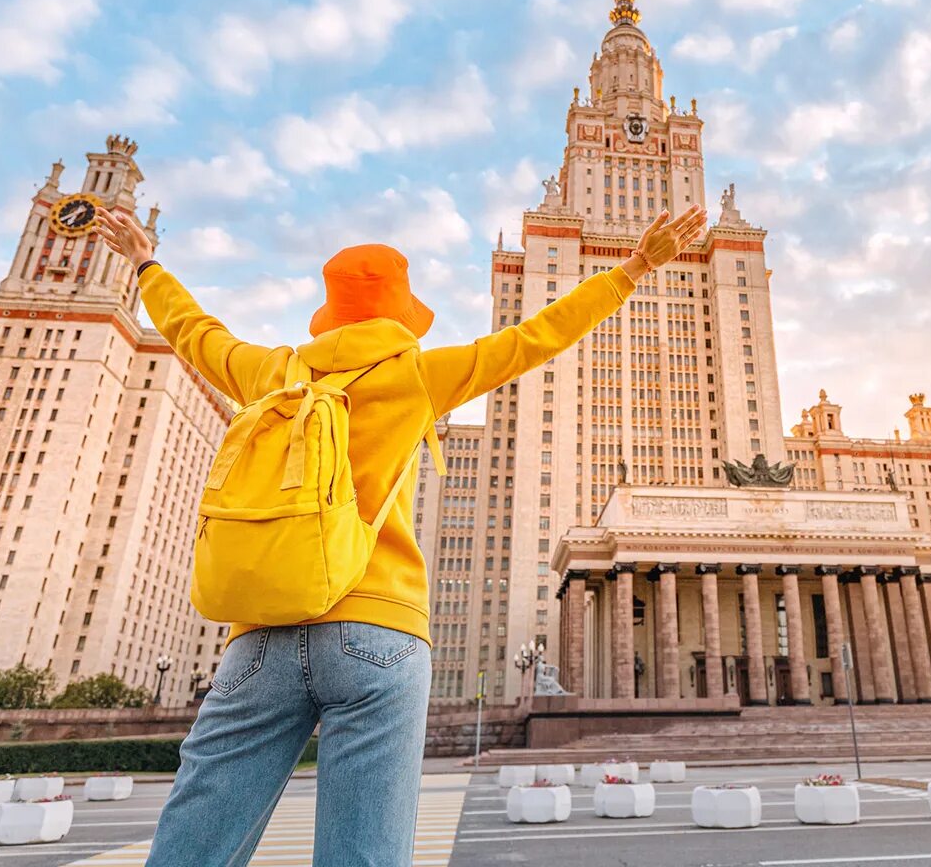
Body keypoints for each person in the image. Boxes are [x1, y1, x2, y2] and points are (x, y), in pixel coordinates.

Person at [100, 202, 706, 866]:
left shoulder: (271, 372)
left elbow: (194, 331)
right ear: (397, 315)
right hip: (377, 632)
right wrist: (636, 266)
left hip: (261, 631)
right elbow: (540, 335)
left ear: (331, 314)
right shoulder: (418, 374)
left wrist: (144, 262)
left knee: (194, 845)